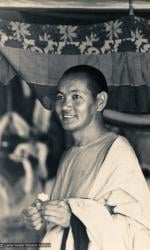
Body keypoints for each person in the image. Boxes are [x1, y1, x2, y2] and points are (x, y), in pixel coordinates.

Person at [22, 65, 150, 250]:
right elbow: (59, 231)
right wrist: (40, 216)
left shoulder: (117, 151)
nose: (65, 105)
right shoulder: (69, 155)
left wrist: (75, 217)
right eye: (60, 97)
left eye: (76, 97)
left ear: (100, 101)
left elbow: (138, 232)